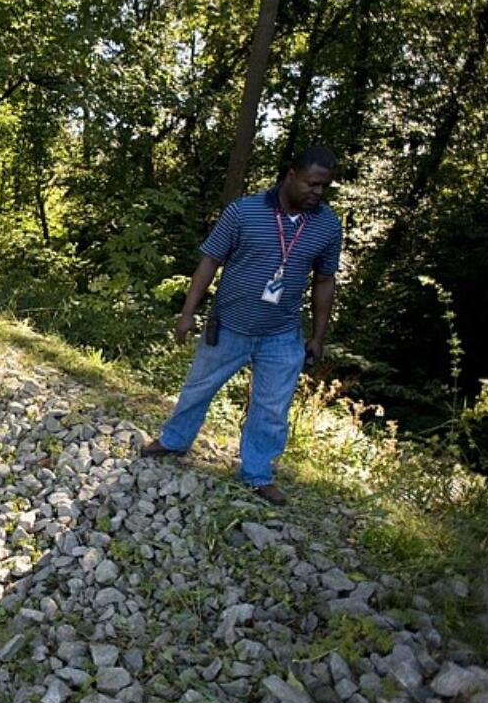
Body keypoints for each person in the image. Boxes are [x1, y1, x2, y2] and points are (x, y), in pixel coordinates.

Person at [141, 147, 342, 505]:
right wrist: (187, 313)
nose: (318, 192)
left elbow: (324, 281)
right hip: (229, 326)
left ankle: (257, 474)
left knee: (271, 408)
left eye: (324, 187)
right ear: (290, 175)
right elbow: (210, 261)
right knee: (198, 388)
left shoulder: (327, 225)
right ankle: (173, 441)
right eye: (312, 184)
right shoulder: (244, 211)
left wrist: (318, 335)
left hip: (281, 335)